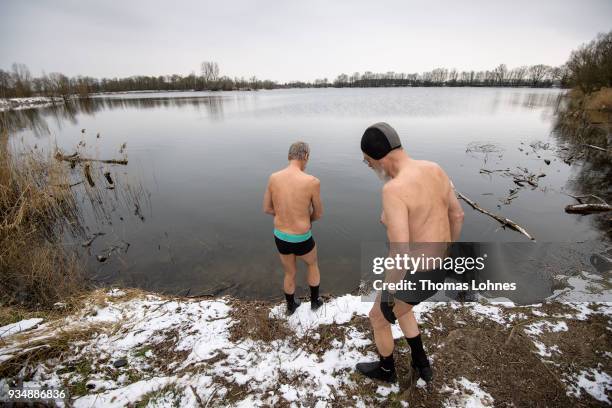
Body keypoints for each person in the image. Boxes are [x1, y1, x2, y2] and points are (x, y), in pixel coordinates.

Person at [356, 122, 464, 383]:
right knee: (405, 308)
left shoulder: (393, 189)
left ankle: (386, 370)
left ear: (380, 158)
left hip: (414, 271)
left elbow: (400, 251)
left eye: (367, 161)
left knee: (378, 317)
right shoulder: (434, 168)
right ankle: (421, 362)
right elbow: (457, 214)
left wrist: (390, 291)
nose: (368, 166)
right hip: (442, 265)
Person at [263, 141, 324, 315]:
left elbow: (267, 208)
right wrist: (307, 219)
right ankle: (315, 302)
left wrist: (284, 215)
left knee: (289, 272)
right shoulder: (312, 181)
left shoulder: (274, 177)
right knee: (312, 265)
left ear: (289, 156)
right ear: (305, 156)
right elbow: (318, 214)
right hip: (302, 237)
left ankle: (291, 307)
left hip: (280, 236)